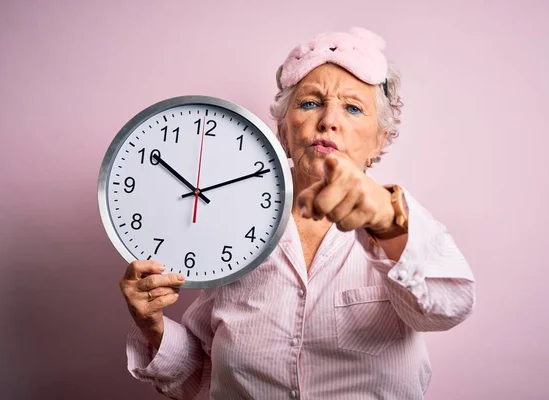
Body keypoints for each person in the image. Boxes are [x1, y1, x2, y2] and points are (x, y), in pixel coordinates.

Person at [119, 27, 476, 399]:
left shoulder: (400, 226)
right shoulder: (229, 232)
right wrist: (152, 325)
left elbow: (447, 308)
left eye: (353, 108)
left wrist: (386, 220)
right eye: (310, 103)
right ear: (283, 130)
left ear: (379, 140)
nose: (328, 121)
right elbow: (204, 372)